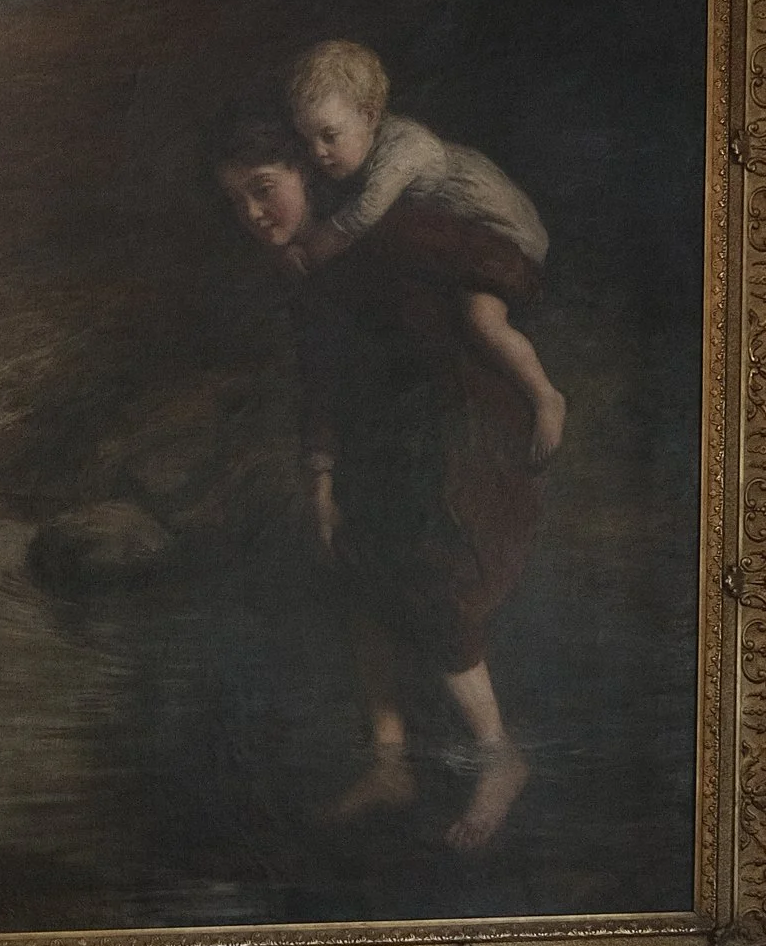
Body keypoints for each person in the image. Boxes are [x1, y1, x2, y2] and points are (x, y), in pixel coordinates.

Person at [214, 112, 553, 854]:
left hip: (464, 426)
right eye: (237, 203)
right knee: (357, 580)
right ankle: (389, 766)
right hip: (381, 444)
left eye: (264, 190)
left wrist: (485, 323)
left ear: (307, 173)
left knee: (437, 580)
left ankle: (501, 759)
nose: (252, 214)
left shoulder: (393, 229)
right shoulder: (302, 271)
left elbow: (511, 262)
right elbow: (320, 383)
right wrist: (322, 480)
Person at [280, 38, 565, 456]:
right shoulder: (358, 154)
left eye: (328, 136)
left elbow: (362, 215)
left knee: (482, 321)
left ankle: (545, 396)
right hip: (460, 244)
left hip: (505, 239)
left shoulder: (407, 149)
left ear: (369, 116)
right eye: (308, 141)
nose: (317, 152)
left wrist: (311, 252)